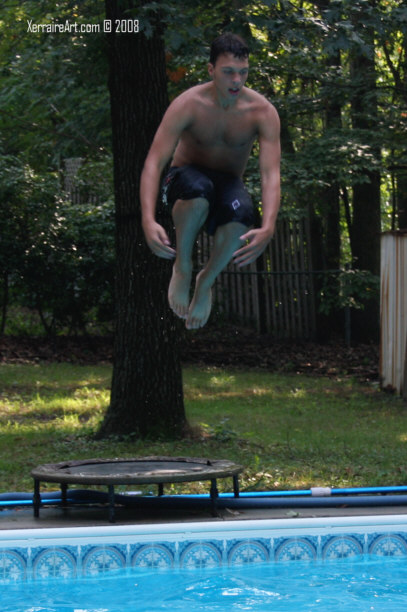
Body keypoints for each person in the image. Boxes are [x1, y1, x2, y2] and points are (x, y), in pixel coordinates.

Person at [141, 33, 281, 330]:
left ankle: (206, 280)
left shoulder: (262, 112)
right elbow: (154, 162)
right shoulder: (189, 104)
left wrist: (268, 225)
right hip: (184, 178)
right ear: (210, 70)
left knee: (243, 215)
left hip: (228, 182)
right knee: (198, 190)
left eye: (243, 72)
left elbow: (270, 174)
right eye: (228, 72)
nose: (236, 80)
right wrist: (147, 219)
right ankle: (184, 266)